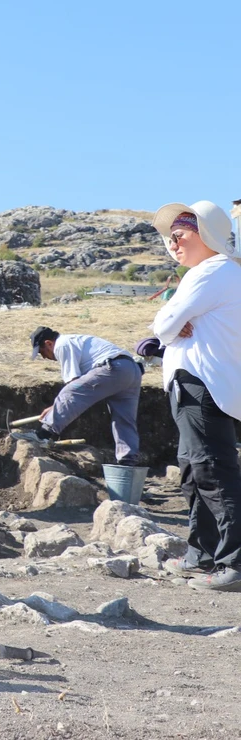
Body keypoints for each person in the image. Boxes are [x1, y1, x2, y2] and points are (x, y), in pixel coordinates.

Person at [148, 201, 241, 592]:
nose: (173, 244)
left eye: (180, 235)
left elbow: (165, 323)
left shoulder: (213, 271)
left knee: (212, 471)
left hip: (202, 385)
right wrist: (172, 326)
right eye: (169, 239)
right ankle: (201, 553)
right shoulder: (213, 274)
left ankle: (234, 563)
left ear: (206, 234)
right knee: (193, 469)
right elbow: (169, 328)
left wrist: (172, 323)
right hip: (196, 384)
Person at [26, 327, 144, 465]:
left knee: (69, 391)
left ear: (49, 343)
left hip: (113, 368)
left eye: (42, 352)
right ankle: (127, 461)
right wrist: (56, 406)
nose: (45, 357)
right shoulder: (76, 340)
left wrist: (55, 408)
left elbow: (73, 387)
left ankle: (43, 434)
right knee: (124, 418)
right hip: (131, 370)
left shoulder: (62, 344)